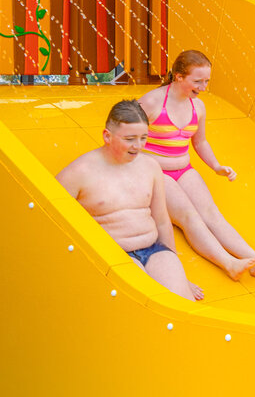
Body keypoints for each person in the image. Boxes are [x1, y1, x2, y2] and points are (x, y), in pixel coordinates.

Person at [139, 50, 255, 280]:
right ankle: (229, 264)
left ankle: (254, 259)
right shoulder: (151, 102)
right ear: (179, 76)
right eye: (197, 81)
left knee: (212, 213)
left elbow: (200, 141)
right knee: (189, 216)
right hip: (155, 172)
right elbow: (127, 136)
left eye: (206, 81)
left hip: (183, 169)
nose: (203, 87)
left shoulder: (198, 107)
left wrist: (216, 166)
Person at [56, 100, 201, 301]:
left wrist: (179, 272)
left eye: (143, 138)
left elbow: (161, 220)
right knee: (144, 303)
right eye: (130, 139)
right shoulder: (78, 173)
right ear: (107, 136)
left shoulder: (150, 167)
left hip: (154, 249)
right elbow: (53, 223)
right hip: (115, 255)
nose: (138, 146)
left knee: (183, 303)